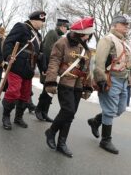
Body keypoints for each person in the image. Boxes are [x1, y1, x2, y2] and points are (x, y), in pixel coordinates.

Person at [89, 14, 131, 155]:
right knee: (110, 110)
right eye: (123, 24)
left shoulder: (126, 43)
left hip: (124, 81)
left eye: (127, 24)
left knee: (120, 109)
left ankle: (96, 121)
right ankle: (105, 140)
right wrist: (101, 79)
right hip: (111, 79)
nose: (127, 26)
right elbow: (99, 62)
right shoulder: (107, 40)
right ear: (115, 25)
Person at [44, 17, 94, 158]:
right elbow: (53, 62)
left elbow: (87, 69)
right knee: (68, 110)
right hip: (65, 81)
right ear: (78, 33)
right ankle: (51, 131)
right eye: (85, 34)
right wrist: (51, 81)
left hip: (78, 84)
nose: (87, 37)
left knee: (70, 115)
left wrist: (87, 86)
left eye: (89, 35)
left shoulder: (86, 49)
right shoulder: (62, 42)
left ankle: (62, 143)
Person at [1, 11, 46, 130]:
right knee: (13, 92)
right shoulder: (21, 27)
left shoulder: (39, 36)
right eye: (41, 21)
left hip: (29, 68)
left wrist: (43, 70)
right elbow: (8, 42)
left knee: (25, 95)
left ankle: (18, 118)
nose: (42, 24)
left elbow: (39, 54)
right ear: (34, 20)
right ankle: (6, 116)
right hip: (16, 65)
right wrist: (8, 56)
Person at [35, 18, 70, 122]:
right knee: (46, 89)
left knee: (51, 91)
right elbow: (46, 51)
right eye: (66, 28)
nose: (66, 30)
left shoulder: (59, 37)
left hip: (54, 68)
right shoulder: (52, 33)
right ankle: (39, 110)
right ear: (61, 26)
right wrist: (44, 67)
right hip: (49, 67)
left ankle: (44, 112)